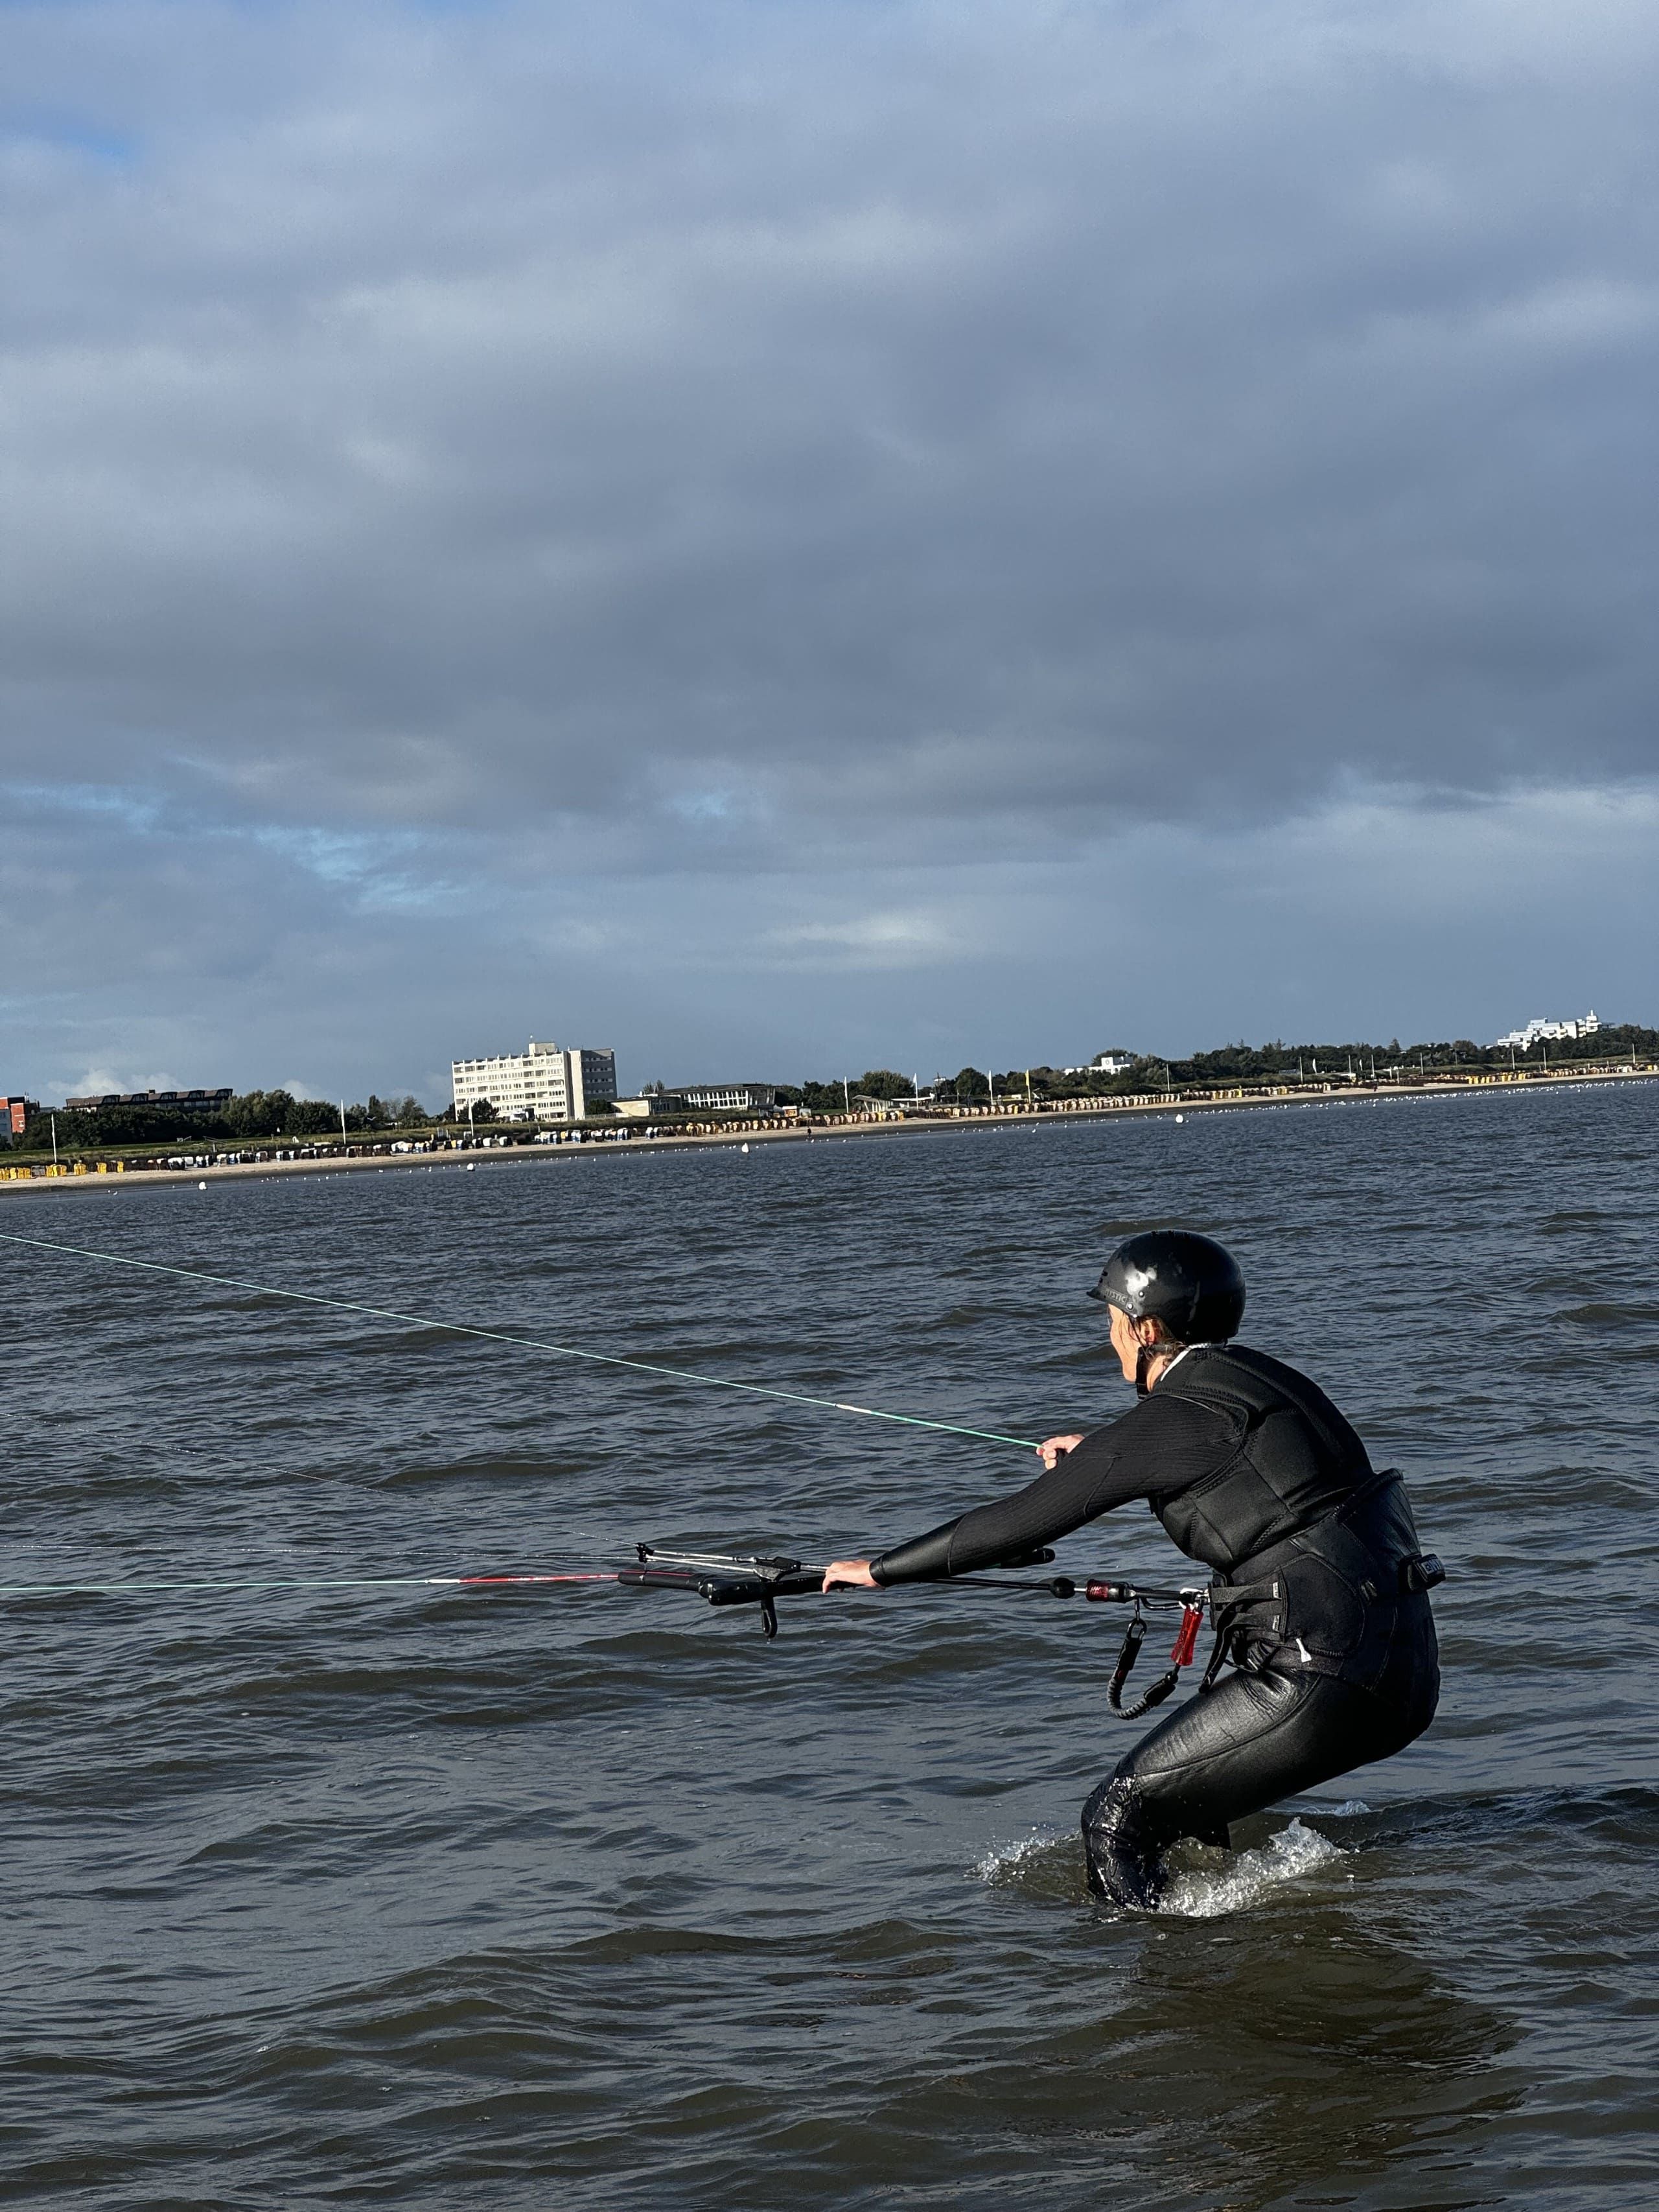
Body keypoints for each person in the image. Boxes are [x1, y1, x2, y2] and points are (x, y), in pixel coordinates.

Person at [822, 1230, 1441, 1908]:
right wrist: (1103, 1450)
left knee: (1114, 1820)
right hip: (1400, 1664)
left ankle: (1159, 1996)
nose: (1107, 1334)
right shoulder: (1265, 1380)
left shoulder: (1171, 1419)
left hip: (1322, 1670)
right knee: (1190, 1816)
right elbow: (1244, 1467)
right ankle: (1228, 1963)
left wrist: (878, 1569)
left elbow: (1014, 1522)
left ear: (1146, 1328)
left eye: (1112, 1319)